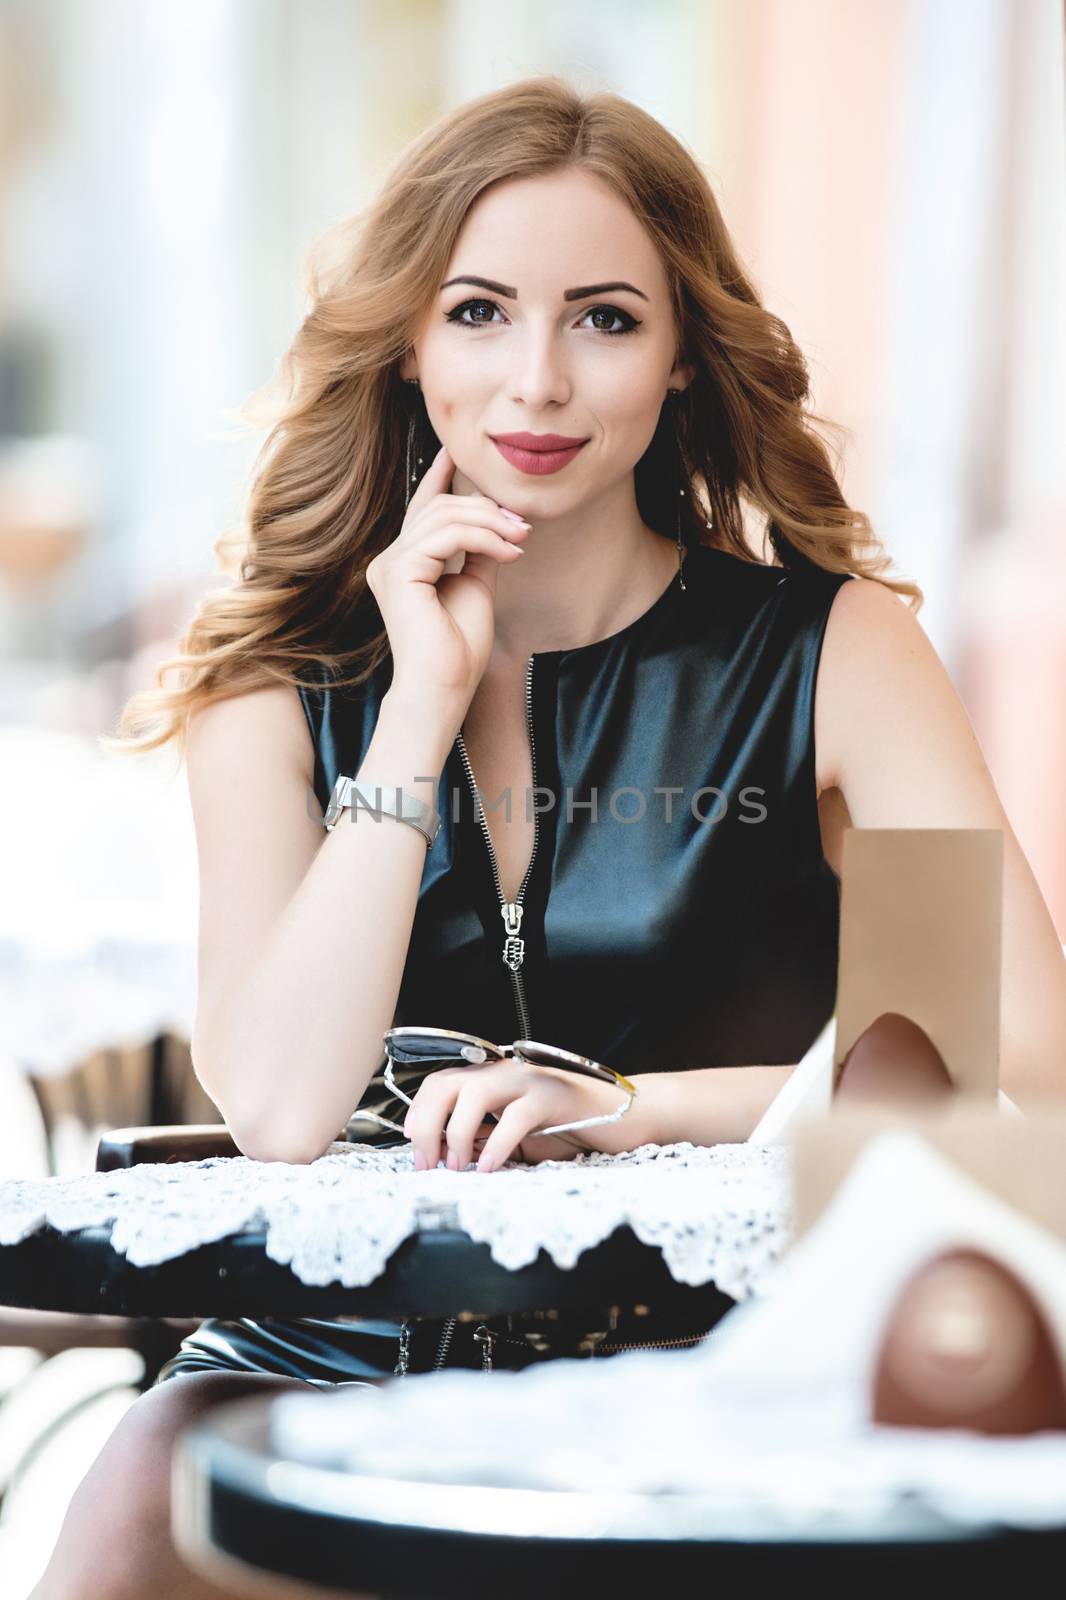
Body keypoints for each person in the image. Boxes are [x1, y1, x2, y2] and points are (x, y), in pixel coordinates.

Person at [32, 74, 1066, 1600]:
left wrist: (623, 1108)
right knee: (141, 1501)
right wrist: (417, 709)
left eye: (601, 318)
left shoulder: (831, 655)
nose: (536, 383)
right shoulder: (273, 682)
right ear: (405, 343)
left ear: (682, 361)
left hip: (718, 1346)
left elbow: (1007, 1058)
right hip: (332, 1353)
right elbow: (278, 1101)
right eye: (476, 312)